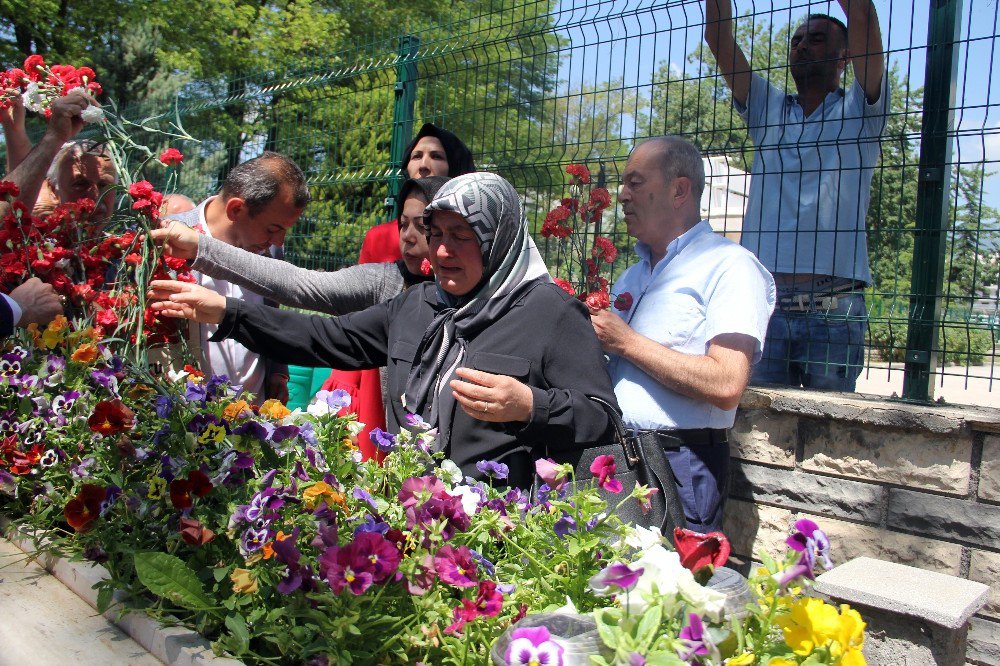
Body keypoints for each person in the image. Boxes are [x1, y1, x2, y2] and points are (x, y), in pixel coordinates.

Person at [149, 172, 617, 488]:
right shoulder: (419, 304)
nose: (443, 251)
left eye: (463, 236)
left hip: (506, 532)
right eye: (438, 234)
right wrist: (228, 313)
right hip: (413, 513)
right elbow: (323, 338)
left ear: (500, 239)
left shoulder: (550, 313)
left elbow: (601, 416)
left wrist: (529, 405)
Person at [152, 176, 447, 459]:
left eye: (422, 226)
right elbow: (302, 291)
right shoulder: (389, 282)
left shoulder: (489, 301)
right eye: (403, 224)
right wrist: (202, 249)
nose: (408, 237)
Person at [590, 137, 775, 532]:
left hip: (681, 463)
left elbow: (726, 382)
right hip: (620, 458)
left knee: (679, 589)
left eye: (635, 183)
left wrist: (627, 342)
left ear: (679, 190)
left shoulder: (730, 267)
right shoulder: (633, 275)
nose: (622, 196)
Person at [704, 0, 886, 391]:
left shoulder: (860, 112)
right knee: (760, 431)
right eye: (797, 40)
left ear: (844, 58)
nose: (802, 46)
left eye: (817, 40)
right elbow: (717, 39)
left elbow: (864, 18)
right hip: (765, 302)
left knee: (829, 435)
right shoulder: (768, 109)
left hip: (834, 305)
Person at [163, 151, 309, 405]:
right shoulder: (164, 240)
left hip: (251, 420)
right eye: (273, 229)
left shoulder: (270, 249)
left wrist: (277, 371)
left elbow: (270, 313)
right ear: (236, 209)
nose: (278, 242)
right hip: (183, 418)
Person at [357, 123, 476, 264]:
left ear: (458, 168)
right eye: (416, 156)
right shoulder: (380, 238)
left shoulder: (474, 237)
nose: (423, 165)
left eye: (436, 156)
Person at [0, 90, 115, 222]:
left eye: (104, 185)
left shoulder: (136, 239)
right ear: (53, 191)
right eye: (80, 184)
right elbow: (9, 217)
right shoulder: (38, 240)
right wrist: (54, 137)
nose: (94, 196)